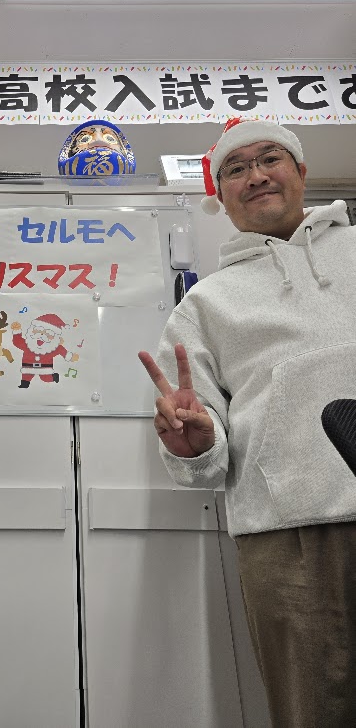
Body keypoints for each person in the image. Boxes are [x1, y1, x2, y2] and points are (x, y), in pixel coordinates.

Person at [138, 117, 356, 728]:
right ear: (221, 195)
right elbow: (204, 462)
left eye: (270, 158)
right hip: (285, 536)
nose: (256, 175)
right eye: (236, 168)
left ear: (301, 171)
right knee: (313, 711)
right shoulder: (204, 305)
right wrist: (194, 443)